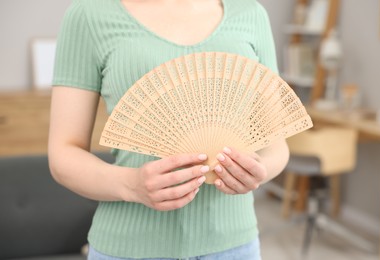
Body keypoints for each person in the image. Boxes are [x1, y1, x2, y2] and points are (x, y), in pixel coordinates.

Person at [48, 0, 290, 259]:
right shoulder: (89, 14)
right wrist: (131, 185)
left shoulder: (250, 13)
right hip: (128, 248)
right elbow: (63, 154)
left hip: (235, 248)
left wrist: (256, 172)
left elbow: (276, 147)